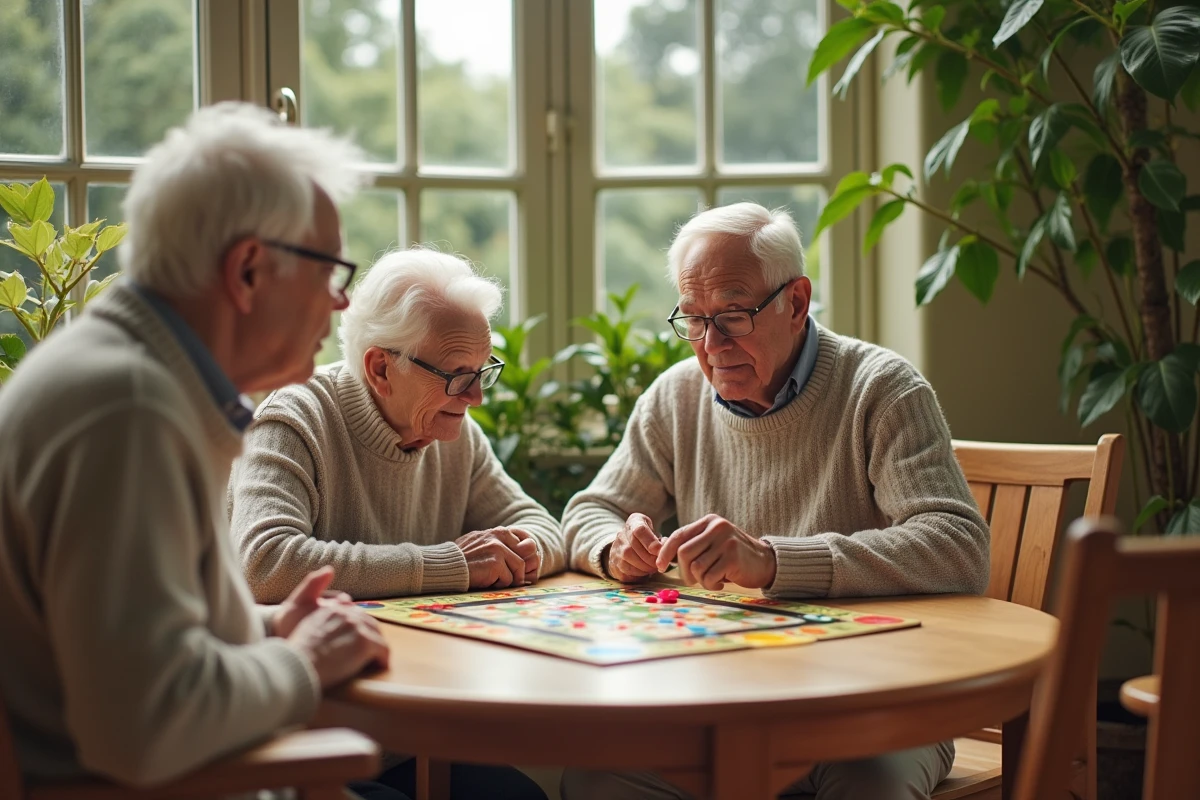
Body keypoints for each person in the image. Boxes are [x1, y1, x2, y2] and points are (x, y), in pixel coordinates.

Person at [0, 103, 395, 795]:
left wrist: (266, 631)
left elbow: (118, 649)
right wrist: (301, 662)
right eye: (332, 270)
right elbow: (145, 723)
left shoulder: (120, 377)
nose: (340, 304)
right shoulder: (127, 411)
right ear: (247, 271)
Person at [559, 202, 990, 800]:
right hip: (717, 702)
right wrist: (615, 546)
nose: (710, 345)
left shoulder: (882, 389)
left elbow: (956, 546)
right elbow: (588, 512)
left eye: (733, 316)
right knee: (596, 780)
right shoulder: (675, 397)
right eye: (693, 320)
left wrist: (773, 561)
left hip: (874, 705)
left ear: (796, 301)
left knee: (869, 787)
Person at [227, 247, 562, 800]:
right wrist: (447, 565)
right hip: (305, 740)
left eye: (483, 373)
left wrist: (518, 551)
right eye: (458, 376)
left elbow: (543, 527)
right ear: (381, 367)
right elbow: (266, 563)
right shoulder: (294, 417)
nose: (476, 397)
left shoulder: (452, 429)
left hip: (413, 733)